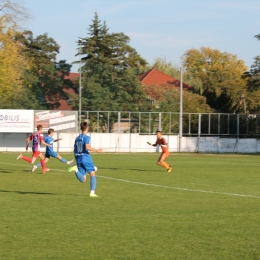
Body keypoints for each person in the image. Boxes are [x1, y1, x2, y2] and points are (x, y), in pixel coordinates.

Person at [68, 122, 102, 197]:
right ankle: (92, 193)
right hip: (85, 157)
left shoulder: (77, 138)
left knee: (83, 179)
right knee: (92, 173)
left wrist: (77, 157)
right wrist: (97, 150)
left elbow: (75, 149)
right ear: (87, 128)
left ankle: (75, 169)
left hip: (78, 157)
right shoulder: (86, 137)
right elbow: (87, 147)